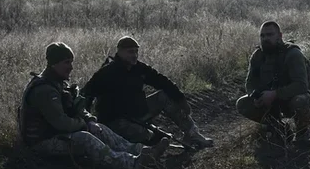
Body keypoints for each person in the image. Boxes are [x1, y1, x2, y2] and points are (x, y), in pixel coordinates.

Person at [18, 42, 169, 169]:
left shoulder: (58, 84)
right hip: (42, 142)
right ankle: (131, 165)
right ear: (53, 64)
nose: (71, 67)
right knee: (85, 138)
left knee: (99, 129)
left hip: (57, 134)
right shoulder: (45, 90)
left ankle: (142, 152)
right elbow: (61, 123)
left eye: (71, 62)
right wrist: (83, 124)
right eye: (66, 62)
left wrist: (89, 119)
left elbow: (77, 108)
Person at [80, 36, 213, 148]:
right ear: (119, 52)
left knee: (163, 96)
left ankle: (193, 135)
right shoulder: (106, 73)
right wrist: (89, 122)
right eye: (130, 52)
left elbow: (162, 81)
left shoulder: (139, 68)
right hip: (117, 121)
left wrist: (181, 100)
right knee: (152, 139)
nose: (134, 55)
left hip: (139, 113)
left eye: (136, 52)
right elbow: (85, 95)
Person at [236, 21, 310, 147]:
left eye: (269, 35)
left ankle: (302, 132)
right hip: (273, 101)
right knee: (243, 103)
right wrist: (255, 96)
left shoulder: (293, 54)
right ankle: (279, 128)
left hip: (298, 99)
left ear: (280, 35)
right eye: (262, 36)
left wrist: (275, 94)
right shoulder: (258, 56)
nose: (265, 39)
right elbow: (250, 83)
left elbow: (301, 86)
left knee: (300, 100)